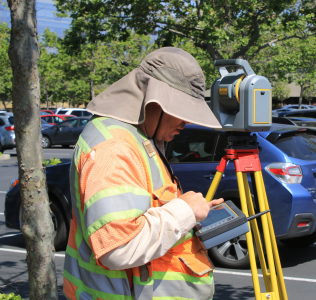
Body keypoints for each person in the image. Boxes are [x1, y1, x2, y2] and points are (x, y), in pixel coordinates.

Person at [63, 47, 224, 300]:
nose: (186, 123)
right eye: (181, 111)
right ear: (155, 102)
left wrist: (191, 215)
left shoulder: (136, 138)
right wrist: (185, 211)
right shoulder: (115, 148)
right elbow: (118, 248)